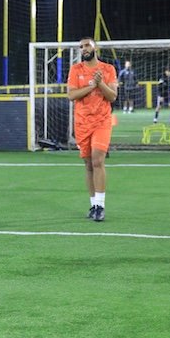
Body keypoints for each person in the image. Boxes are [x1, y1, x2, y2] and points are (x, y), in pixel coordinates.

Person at [67, 36, 118, 222]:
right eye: (81, 47)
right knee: (88, 164)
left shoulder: (108, 69)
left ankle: (100, 206)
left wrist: (100, 83)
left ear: (95, 47)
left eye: (87, 45)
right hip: (82, 123)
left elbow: (112, 96)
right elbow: (71, 95)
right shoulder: (76, 69)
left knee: (98, 160)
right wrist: (92, 86)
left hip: (102, 121)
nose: (84, 49)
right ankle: (93, 204)